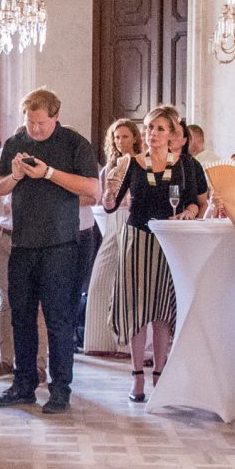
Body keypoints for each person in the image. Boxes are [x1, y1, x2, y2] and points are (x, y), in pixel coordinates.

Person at [0, 88, 100, 414]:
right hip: (21, 244)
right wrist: (16, 175)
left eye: (40, 123)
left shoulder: (74, 143)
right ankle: (23, 385)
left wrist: (49, 173)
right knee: (21, 318)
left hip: (61, 245)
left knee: (59, 320)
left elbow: (93, 189)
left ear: (55, 116)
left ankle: (60, 389)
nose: (34, 129)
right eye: (29, 122)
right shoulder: (16, 142)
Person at [106, 105, 209, 403]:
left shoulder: (187, 165)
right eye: (149, 128)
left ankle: (160, 374)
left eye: (160, 129)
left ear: (173, 135)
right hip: (137, 238)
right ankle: (137, 377)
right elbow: (112, 203)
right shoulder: (131, 163)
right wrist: (108, 193)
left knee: (163, 309)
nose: (152, 134)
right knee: (137, 309)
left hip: (170, 241)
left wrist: (188, 212)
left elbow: (198, 203)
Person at [85, 119, 142, 357]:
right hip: (112, 223)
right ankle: (99, 341)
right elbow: (101, 200)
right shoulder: (109, 168)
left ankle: (126, 344)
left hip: (132, 221)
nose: (120, 141)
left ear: (135, 139)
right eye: (117, 137)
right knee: (101, 277)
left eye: (125, 137)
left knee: (128, 283)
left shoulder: (141, 164)